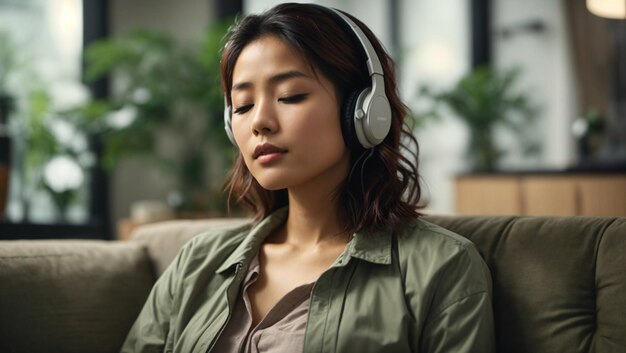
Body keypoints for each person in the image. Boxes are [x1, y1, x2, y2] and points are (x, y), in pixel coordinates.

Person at [121, 3, 495, 353]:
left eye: (290, 95)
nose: (259, 122)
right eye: (243, 105)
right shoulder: (195, 262)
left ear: (365, 111)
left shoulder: (442, 267)